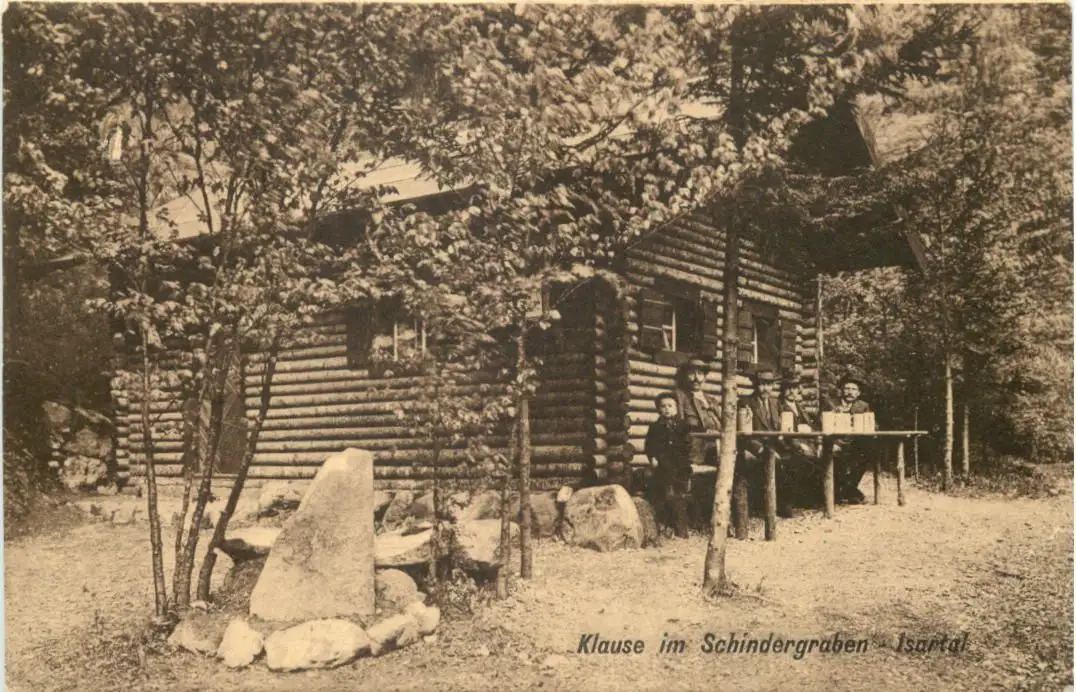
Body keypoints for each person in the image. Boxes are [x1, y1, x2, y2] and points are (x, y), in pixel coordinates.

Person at [644, 392, 692, 538]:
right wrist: (652, 457)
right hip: (663, 465)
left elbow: (688, 445)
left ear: (676, 408)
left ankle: (681, 530)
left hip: (680, 465)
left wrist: (688, 459)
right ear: (658, 409)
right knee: (666, 494)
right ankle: (667, 526)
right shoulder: (655, 427)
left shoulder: (683, 426)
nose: (666, 409)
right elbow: (649, 445)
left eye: (670, 406)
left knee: (680, 496)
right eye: (663, 406)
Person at [826, 374, 872, 504]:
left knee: (864, 456)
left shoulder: (863, 406)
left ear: (858, 393)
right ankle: (848, 492)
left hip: (854, 444)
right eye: (847, 388)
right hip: (834, 442)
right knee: (836, 460)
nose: (850, 392)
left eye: (853, 389)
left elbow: (872, 424)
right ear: (841, 390)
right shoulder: (831, 403)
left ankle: (848, 489)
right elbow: (822, 423)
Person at [673, 357, 722, 466]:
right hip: (695, 450)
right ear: (685, 376)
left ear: (705, 378)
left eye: (700, 374)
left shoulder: (711, 400)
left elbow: (723, 424)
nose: (696, 379)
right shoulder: (680, 397)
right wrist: (704, 431)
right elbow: (679, 425)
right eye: (691, 374)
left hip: (718, 446)